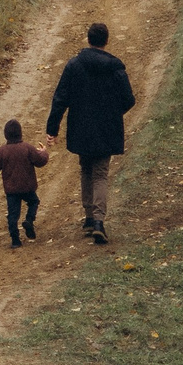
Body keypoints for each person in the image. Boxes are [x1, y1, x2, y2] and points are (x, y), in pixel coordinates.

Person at [46, 21, 134, 245]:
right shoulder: (115, 68)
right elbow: (129, 100)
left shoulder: (74, 66)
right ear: (107, 41)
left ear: (88, 39)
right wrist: (113, 113)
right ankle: (98, 221)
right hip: (107, 128)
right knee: (101, 173)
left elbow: (60, 99)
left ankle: (87, 218)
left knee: (85, 169)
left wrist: (52, 130)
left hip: (81, 127)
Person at [0, 119, 48, 248]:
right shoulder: (27, 148)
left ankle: (15, 240)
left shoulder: (3, 150)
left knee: (13, 214)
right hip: (28, 187)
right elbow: (40, 161)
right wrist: (44, 152)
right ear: (20, 133)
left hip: (11, 189)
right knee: (34, 202)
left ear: (5, 135)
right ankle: (29, 220)